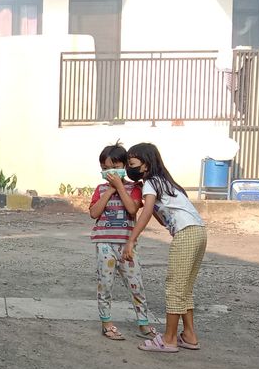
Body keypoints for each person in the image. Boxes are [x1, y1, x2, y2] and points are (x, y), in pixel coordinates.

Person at [123, 143, 207, 353]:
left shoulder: (150, 183)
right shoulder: (167, 183)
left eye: (132, 163)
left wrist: (132, 239)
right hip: (199, 232)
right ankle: (189, 335)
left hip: (186, 234)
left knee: (175, 288)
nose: (128, 168)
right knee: (184, 288)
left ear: (145, 164)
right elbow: (161, 217)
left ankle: (169, 339)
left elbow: (147, 212)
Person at [88, 143, 155, 341]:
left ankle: (143, 323)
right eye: (105, 168)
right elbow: (94, 213)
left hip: (127, 246)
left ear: (125, 166)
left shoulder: (135, 188)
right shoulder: (100, 190)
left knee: (136, 284)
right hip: (105, 244)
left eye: (114, 166)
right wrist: (109, 191)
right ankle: (106, 323)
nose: (110, 171)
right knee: (105, 284)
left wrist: (119, 187)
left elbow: (132, 209)